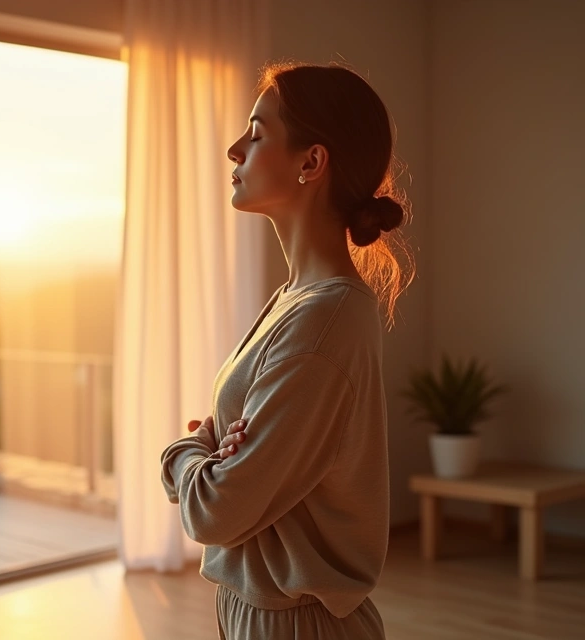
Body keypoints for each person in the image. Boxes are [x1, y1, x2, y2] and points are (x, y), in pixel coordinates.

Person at [159, 60, 414, 639]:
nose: (233, 149)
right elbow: (225, 472)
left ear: (311, 162)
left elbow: (214, 511)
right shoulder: (295, 300)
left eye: (255, 133)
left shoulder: (324, 321)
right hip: (256, 611)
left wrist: (181, 455)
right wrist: (214, 455)